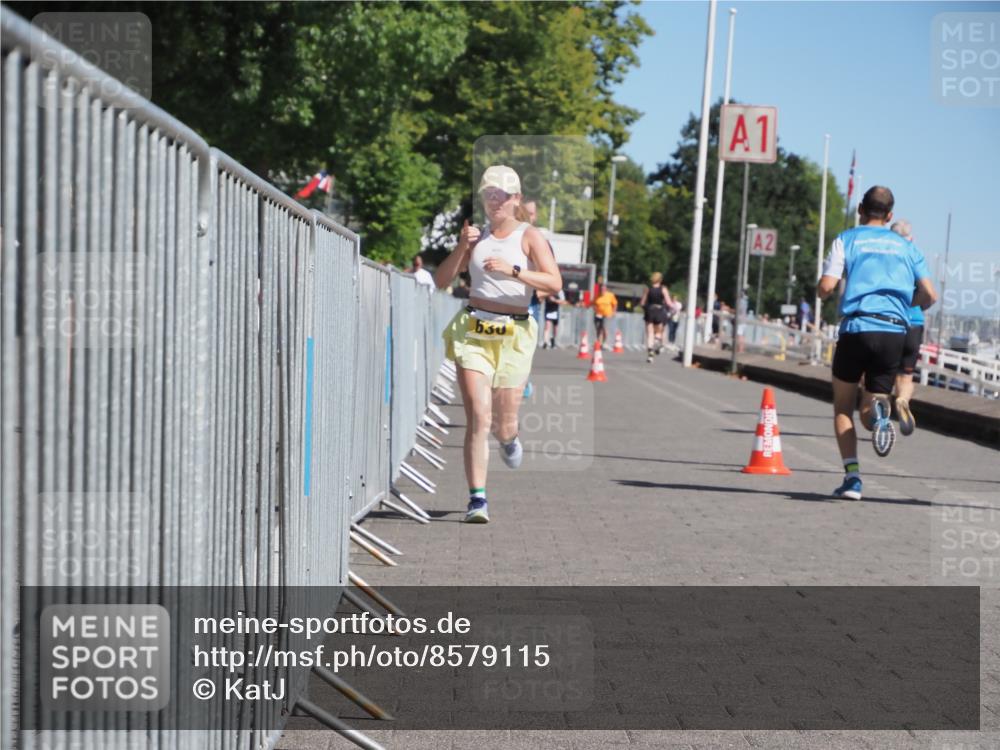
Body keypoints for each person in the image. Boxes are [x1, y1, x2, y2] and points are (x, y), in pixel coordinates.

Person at [435, 165, 562, 523]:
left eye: (501, 197)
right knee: (478, 415)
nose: (494, 203)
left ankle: (510, 439)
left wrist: (515, 272)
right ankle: (477, 498)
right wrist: (463, 245)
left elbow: (554, 283)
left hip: (514, 333)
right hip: (474, 328)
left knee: (503, 424)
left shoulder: (529, 237)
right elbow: (441, 280)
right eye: (489, 196)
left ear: (515, 199)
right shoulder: (475, 236)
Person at [817, 186, 937, 501]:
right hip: (894, 333)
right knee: (870, 408)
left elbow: (827, 286)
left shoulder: (847, 239)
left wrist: (822, 290)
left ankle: (853, 478)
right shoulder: (907, 247)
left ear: (861, 209)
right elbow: (930, 295)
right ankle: (881, 420)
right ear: (890, 215)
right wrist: (904, 303)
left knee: (843, 407)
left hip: (856, 328)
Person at [890, 219, 923, 436]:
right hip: (915, 322)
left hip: (890, 321)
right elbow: (928, 293)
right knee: (906, 376)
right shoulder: (915, 255)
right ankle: (903, 399)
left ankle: (881, 415)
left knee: (882, 373)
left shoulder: (886, 257)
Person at [639, 272, 672, 363]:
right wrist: (673, 308)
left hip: (649, 311)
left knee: (650, 334)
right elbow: (668, 302)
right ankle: (657, 343)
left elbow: (642, 303)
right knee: (658, 332)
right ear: (660, 280)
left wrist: (645, 307)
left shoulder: (648, 289)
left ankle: (650, 355)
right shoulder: (663, 289)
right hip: (659, 311)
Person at [591, 283, 618, 348]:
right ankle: (599, 342)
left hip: (607, 314)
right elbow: (593, 303)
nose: (602, 290)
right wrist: (595, 309)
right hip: (598, 314)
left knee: (604, 328)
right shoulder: (597, 295)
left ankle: (603, 342)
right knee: (598, 329)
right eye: (601, 289)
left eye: (603, 289)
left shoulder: (610, 295)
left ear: (606, 289)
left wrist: (614, 312)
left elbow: (615, 304)